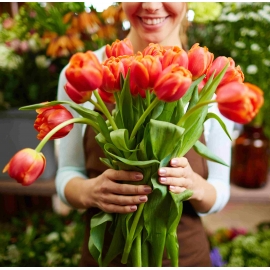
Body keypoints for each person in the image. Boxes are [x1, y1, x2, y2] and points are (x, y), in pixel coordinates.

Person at [56, 2, 234, 267]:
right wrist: (89, 192)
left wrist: (194, 185)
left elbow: (219, 190)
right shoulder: (84, 71)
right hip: (105, 258)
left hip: (183, 258)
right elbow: (68, 172)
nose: (151, 5)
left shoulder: (211, 79)